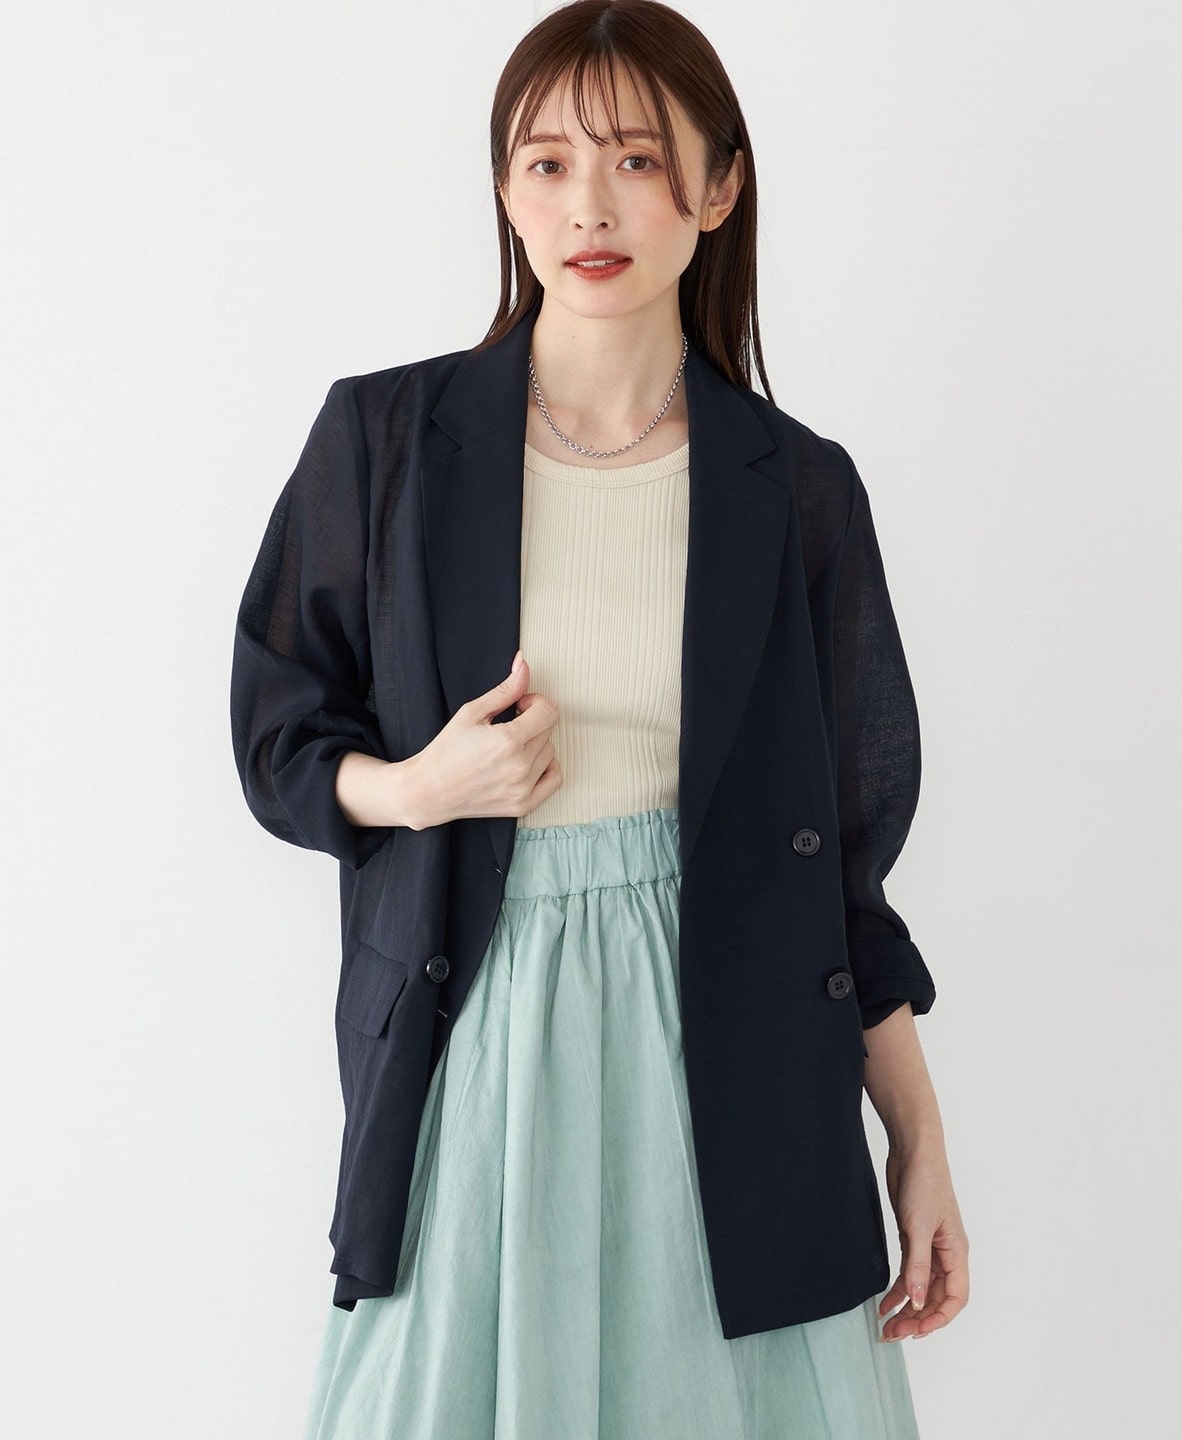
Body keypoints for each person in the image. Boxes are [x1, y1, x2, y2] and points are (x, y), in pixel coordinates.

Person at [230, 2, 969, 1435]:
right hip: (483, 1030)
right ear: (506, 191)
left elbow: (845, 868)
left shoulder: (797, 489)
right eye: (547, 163)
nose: (590, 206)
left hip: (741, 1035)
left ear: (718, 187)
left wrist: (920, 1136)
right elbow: (277, 732)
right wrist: (420, 787)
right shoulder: (387, 444)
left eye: (637, 159)